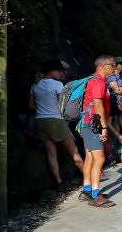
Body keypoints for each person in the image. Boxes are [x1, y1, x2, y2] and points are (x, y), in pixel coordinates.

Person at [29, 59, 83, 192]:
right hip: (56, 120)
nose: (61, 73)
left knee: (51, 154)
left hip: (40, 121)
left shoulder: (35, 85)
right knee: (73, 150)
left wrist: (44, 110)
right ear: (52, 71)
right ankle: (88, 176)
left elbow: (31, 105)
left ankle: (59, 183)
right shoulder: (57, 84)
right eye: (60, 71)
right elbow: (63, 104)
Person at [78, 55, 117, 208]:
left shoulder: (96, 80)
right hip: (92, 125)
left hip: (87, 124)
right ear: (102, 66)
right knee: (99, 159)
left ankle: (86, 191)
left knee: (90, 157)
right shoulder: (97, 82)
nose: (114, 68)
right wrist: (104, 127)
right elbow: (98, 105)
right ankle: (95, 196)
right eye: (112, 65)